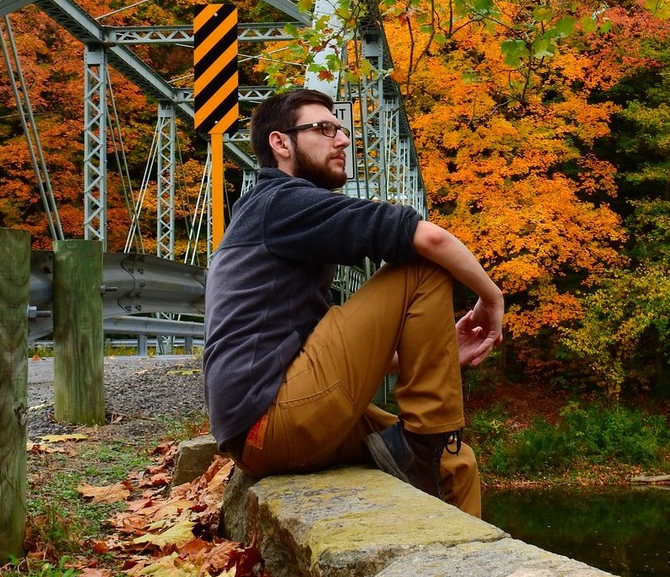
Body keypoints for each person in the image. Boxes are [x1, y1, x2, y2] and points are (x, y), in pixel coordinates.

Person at [202, 87, 503, 517]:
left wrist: (437, 352)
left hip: (262, 434)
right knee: (423, 265)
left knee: (456, 463)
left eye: (341, 129)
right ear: (280, 143)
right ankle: (422, 448)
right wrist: (492, 297)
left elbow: (322, 356)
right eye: (324, 129)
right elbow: (431, 239)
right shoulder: (280, 202)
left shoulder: (270, 215)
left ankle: (461, 551)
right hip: (269, 421)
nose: (342, 139)